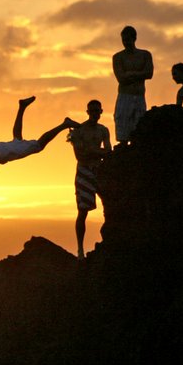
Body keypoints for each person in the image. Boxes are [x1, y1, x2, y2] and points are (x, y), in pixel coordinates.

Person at [68, 100, 111, 259]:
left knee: (109, 204)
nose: (94, 114)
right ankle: (80, 249)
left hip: (98, 170)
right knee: (83, 211)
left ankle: (110, 241)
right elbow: (80, 155)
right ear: (88, 112)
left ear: (100, 112)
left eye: (96, 111)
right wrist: (98, 152)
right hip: (84, 170)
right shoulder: (79, 131)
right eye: (92, 111)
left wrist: (90, 150)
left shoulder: (103, 130)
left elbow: (108, 151)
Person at [112, 25, 153, 144]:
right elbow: (121, 78)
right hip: (124, 96)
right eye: (123, 40)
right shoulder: (118, 57)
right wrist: (139, 74)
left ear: (134, 38)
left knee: (139, 130)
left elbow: (149, 73)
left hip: (140, 96)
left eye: (128, 40)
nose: (125, 43)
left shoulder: (145, 55)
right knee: (123, 133)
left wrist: (131, 73)